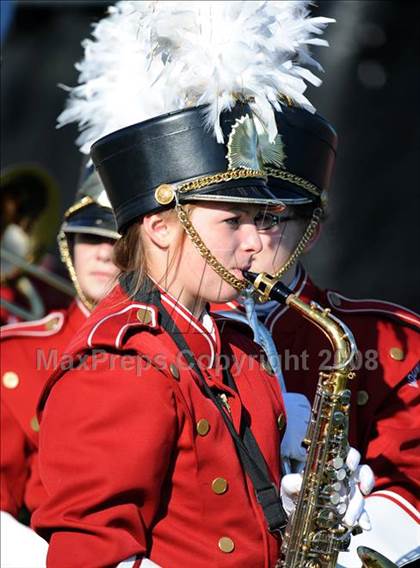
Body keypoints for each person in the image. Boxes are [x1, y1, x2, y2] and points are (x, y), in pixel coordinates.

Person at [30, 2, 373, 566]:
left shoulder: (235, 342)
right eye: (232, 221)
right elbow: (91, 554)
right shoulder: (121, 364)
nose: (258, 244)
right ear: (162, 227)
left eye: (268, 221)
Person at [214, 104, 420, 566]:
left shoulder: (384, 339)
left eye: (268, 218)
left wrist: (353, 551)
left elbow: (411, 478)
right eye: (232, 215)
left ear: (311, 231)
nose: (245, 238)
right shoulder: (170, 335)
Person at [0, 169, 120, 568]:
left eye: (117, 239)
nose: (103, 253)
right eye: (91, 237)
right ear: (70, 245)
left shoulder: (191, 350)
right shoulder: (16, 354)